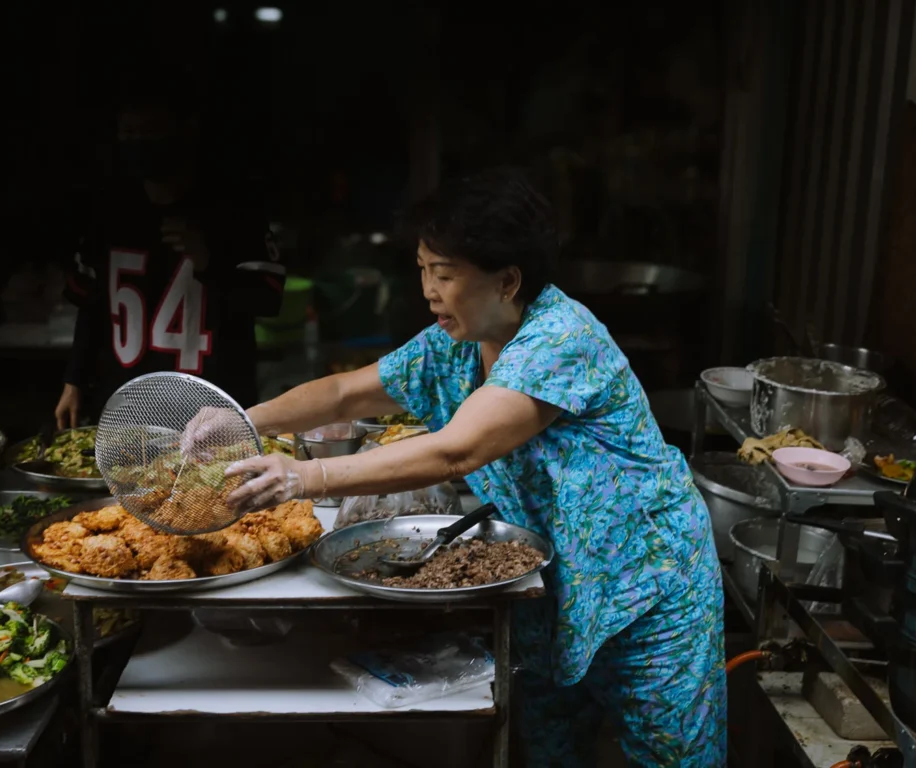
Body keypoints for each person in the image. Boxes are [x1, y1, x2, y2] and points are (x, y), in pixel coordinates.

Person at [186, 169, 726, 766]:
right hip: (550, 590)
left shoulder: (560, 338)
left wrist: (303, 476)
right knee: (550, 754)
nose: (428, 289)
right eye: (422, 269)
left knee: (673, 757)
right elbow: (346, 394)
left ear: (507, 281)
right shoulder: (456, 341)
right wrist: (241, 420)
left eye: (443, 274)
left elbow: (456, 450)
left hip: (645, 590)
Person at [55, 62, 284, 428]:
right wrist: (74, 379)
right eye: (130, 132)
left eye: (151, 131)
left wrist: (211, 262)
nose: (140, 142)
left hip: (213, 410)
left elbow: (268, 299)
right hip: (124, 409)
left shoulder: (233, 210)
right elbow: (91, 303)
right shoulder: (108, 210)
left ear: (184, 130)